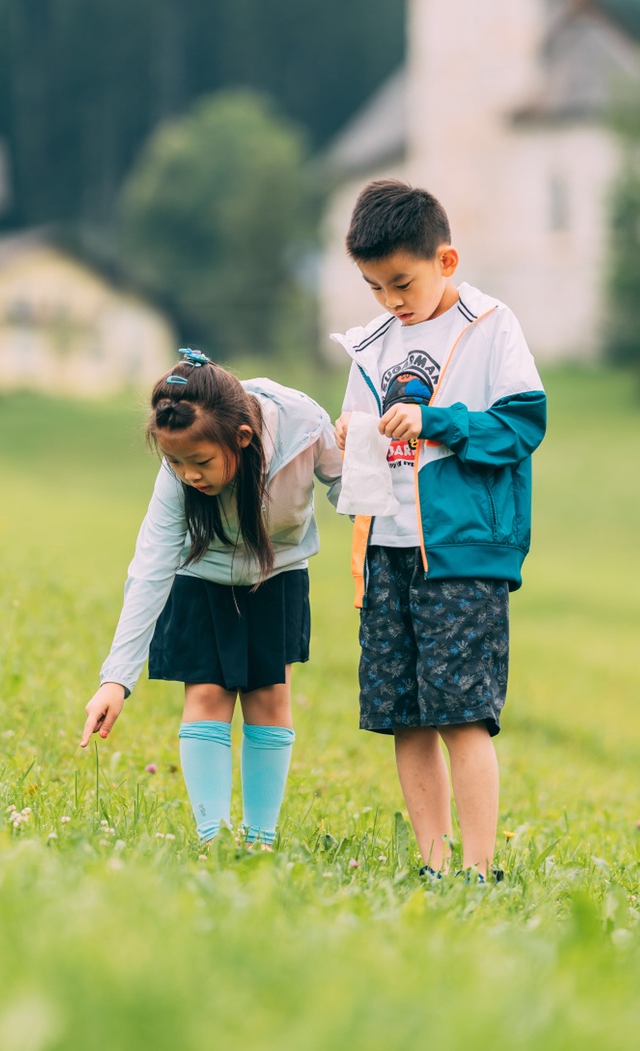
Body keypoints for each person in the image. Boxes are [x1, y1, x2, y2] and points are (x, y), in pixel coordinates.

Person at [331, 180, 547, 879]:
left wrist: (436, 421)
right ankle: (432, 864)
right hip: (384, 546)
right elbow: (354, 452)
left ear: (445, 260)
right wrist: (345, 440)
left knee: (462, 713)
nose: (391, 301)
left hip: (461, 552)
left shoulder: (491, 326)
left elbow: (522, 426)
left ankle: (480, 871)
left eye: (401, 282)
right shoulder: (372, 344)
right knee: (405, 715)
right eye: (374, 287)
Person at [80, 352, 342, 846]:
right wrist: (115, 680)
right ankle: (213, 841)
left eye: (199, 462)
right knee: (206, 696)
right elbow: (151, 566)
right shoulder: (177, 479)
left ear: (241, 439)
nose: (188, 476)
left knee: (270, 699)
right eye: (174, 462)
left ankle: (260, 840)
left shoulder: (305, 425)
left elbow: (348, 484)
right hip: (201, 577)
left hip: (278, 575)